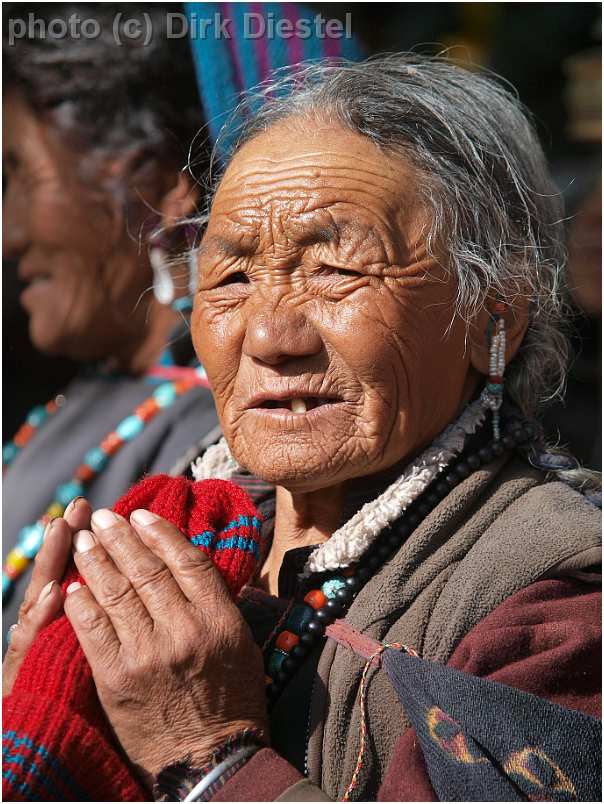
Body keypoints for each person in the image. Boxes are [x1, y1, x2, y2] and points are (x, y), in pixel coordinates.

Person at [3, 55, 600, 802]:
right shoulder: (178, 519)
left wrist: (207, 756)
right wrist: (52, 702)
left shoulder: (557, 607)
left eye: (336, 270)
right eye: (232, 278)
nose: (270, 335)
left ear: (493, 314)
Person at [2, 1, 361, 640]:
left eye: (20, 174)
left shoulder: (221, 452)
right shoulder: (98, 398)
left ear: (162, 185)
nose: (9, 234)